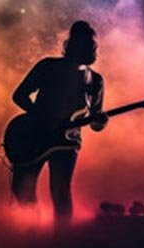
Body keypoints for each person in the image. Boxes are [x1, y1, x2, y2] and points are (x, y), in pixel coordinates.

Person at [10, 20, 107, 224]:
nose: (88, 49)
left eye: (90, 45)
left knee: (60, 191)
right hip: (35, 135)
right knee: (22, 188)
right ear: (71, 45)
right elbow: (19, 95)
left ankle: (60, 240)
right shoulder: (48, 67)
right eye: (83, 44)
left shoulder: (95, 80)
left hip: (67, 141)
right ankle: (32, 230)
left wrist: (101, 121)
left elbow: (95, 123)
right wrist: (41, 116)